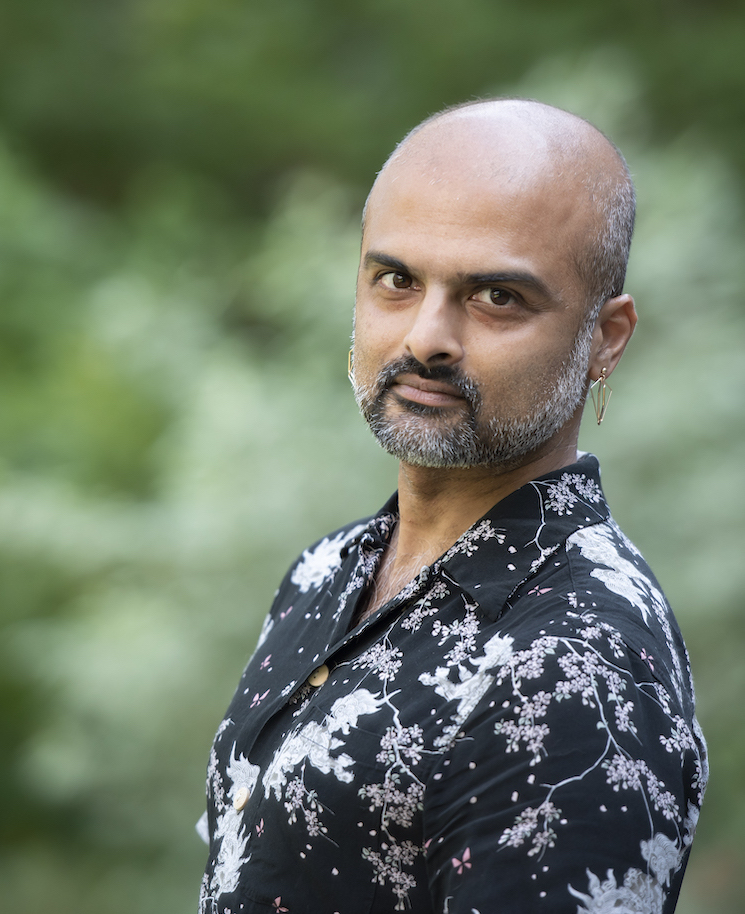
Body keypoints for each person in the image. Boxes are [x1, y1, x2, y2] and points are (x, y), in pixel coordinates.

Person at [197, 98, 708, 914]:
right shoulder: (329, 569)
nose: (425, 337)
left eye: (495, 296)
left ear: (605, 338)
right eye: (397, 281)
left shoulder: (578, 661)